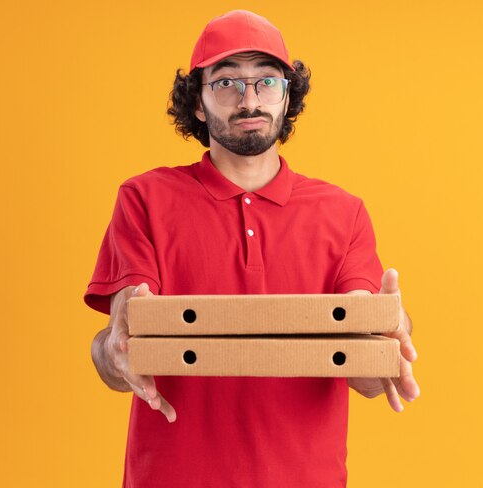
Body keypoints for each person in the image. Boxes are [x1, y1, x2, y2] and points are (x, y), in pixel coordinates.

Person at [85, 9, 420, 488]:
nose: (249, 100)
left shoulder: (343, 212)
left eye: (266, 82)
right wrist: (112, 351)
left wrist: (388, 341)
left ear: (287, 96)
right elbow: (117, 351)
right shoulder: (144, 199)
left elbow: (364, 373)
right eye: (227, 83)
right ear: (198, 103)